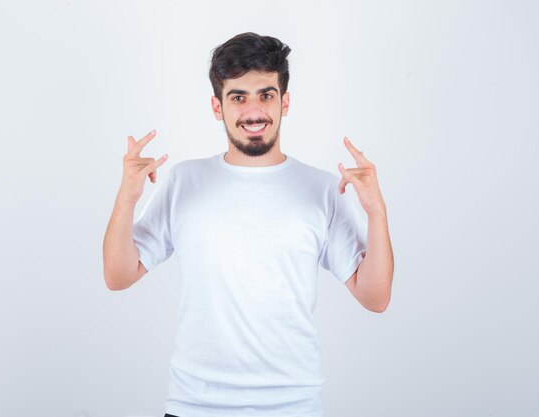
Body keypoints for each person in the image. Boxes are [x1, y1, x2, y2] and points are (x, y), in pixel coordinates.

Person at [102, 32, 394, 417]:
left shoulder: (321, 188)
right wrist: (126, 198)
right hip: (195, 404)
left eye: (266, 95)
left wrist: (377, 214)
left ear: (284, 101)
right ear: (216, 106)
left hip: (292, 406)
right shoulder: (183, 182)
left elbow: (375, 298)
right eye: (238, 96)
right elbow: (118, 276)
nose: (253, 111)